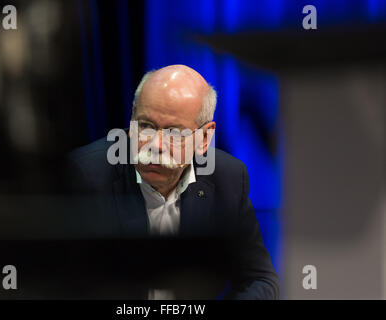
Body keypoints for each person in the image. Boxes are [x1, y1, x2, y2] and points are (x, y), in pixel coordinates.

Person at [68, 64, 280, 299]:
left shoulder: (228, 178)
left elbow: (260, 279)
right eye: (146, 126)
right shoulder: (85, 176)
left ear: (205, 137)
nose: (155, 145)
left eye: (174, 132)